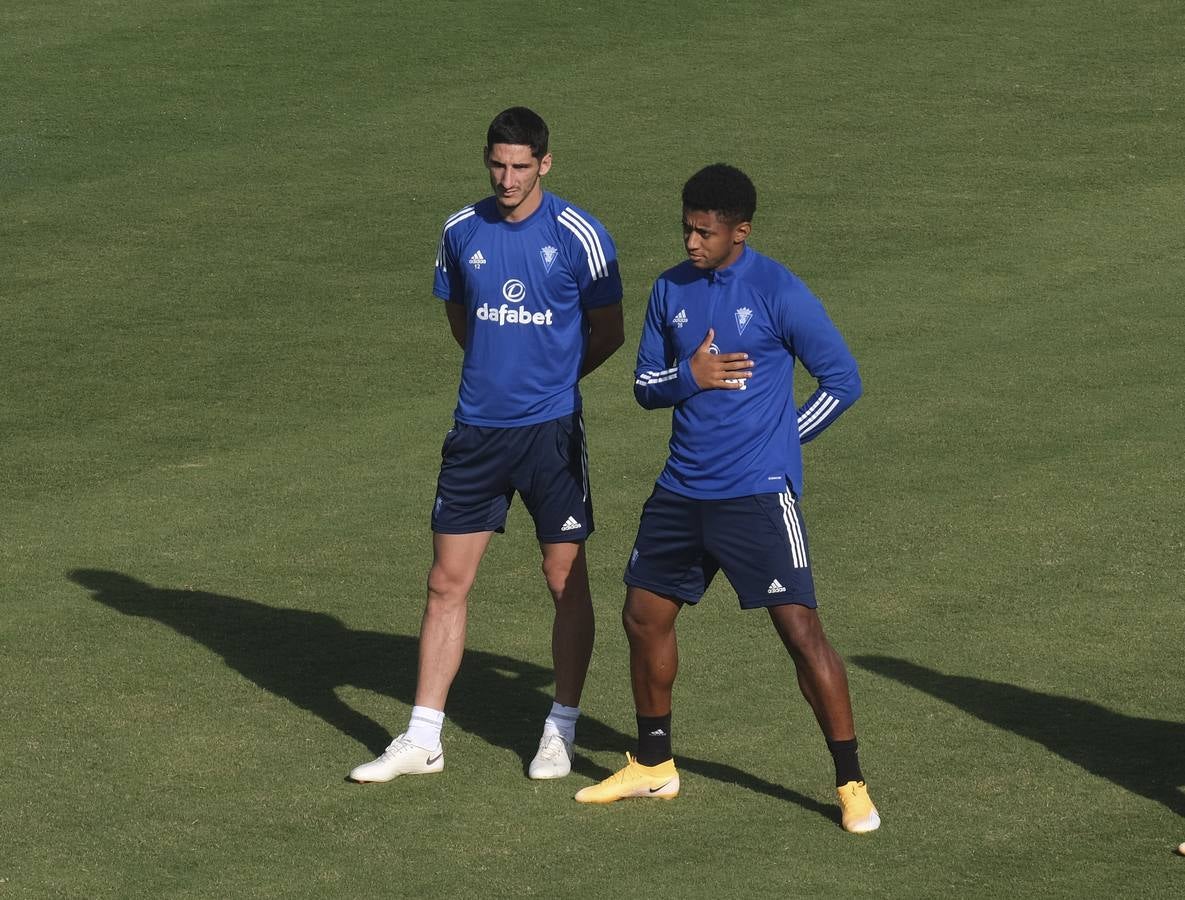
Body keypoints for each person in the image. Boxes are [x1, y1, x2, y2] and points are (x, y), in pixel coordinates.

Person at [573, 163, 880, 833]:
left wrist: (779, 444)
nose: (690, 243)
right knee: (642, 616)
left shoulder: (778, 290)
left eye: (704, 232)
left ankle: (849, 779)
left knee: (799, 632)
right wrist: (693, 375)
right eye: (685, 228)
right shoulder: (667, 290)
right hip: (681, 491)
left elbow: (841, 381)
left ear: (739, 232)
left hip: (756, 496)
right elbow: (647, 385)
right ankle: (654, 765)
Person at [350, 107, 624, 783]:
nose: (506, 178)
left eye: (520, 166)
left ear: (545, 164)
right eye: (497, 164)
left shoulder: (579, 236)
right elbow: (459, 314)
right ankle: (423, 738)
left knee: (562, 578)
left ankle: (560, 726)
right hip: (475, 431)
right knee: (446, 581)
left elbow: (609, 329)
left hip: (550, 434)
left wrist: (551, 383)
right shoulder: (459, 230)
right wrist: (496, 374)